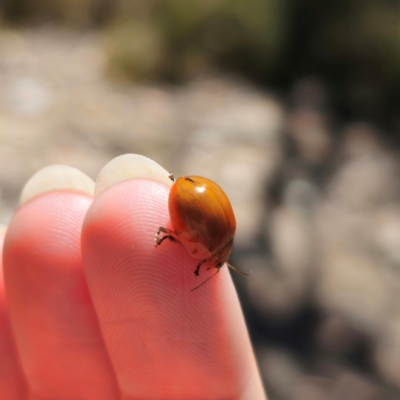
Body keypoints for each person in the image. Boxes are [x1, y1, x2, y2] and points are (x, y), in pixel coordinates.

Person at [0, 156, 266, 400]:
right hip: (188, 194)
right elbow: (192, 241)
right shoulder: (211, 245)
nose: (211, 267)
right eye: (214, 264)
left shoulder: (225, 233)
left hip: (190, 192)